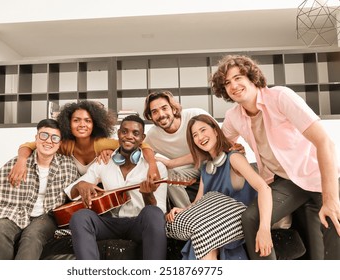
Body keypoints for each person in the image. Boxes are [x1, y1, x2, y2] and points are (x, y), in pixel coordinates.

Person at [211, 54, 340, 260]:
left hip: (316, 174)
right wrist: (233, 150)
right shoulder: (233, 116)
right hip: (287, 181)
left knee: (332, 224)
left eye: (238, 77)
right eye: (227, 83)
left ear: (252, 77)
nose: (233, 85)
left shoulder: (280, 97)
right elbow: (218, 144)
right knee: (251, 218)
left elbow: (324, 142)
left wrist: (331, 199)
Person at [0, 119, 79, 259]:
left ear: (59, 143)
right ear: (36, 138)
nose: (49, 141)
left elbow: (78, 191)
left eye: (55, 137)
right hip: (14, 212)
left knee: (33, 235)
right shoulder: (17, 163)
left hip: (47, 216)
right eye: (44, 135)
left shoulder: (68, 166)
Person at [165, 114, 273, 260]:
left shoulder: (234, 158)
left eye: (203, 130)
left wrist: (264, 229)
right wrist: (183, 210)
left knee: (204, 237)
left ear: (216, 130)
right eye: (195, 135)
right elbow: (198, 201)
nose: (200, 137)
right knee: (200, 237)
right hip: (211, 224)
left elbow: (264, 188)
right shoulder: (206, 167)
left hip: (237, 220)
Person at [65, 114, 168, 260]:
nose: (129, 136)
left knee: (153, 213)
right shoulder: (103, 162)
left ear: (142, 138)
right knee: (80, 217)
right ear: (118, 134)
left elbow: (159, 213)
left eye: (135, 133)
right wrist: (81, 185)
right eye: (124, 131)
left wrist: (147, 196)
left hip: (138, 223)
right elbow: (71, 191)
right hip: (109, 223)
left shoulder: (156, 168)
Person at [8, 100, 160, 186]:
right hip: (73, 190)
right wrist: (21, 161)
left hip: (100, 190)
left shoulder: (101, 144)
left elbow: (142, 145)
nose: (82, 125)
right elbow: (29, 145)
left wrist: (152, 166)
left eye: (88, 121)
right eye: (76, 120)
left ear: (95, 124)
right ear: (68, 123)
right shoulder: (65, 144)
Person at [143, 90, 214, 208]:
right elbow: (143, 147)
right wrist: (152, 164)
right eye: (154, 112)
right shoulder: (153, 135)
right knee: (168, 176)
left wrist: (171, 163)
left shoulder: (195, 115)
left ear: (173, 109)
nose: (161, 114)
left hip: (210, 162)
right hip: (188, 170)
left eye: (164, 108)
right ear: (151, 117)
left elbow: (215, 145)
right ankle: (186, 213)